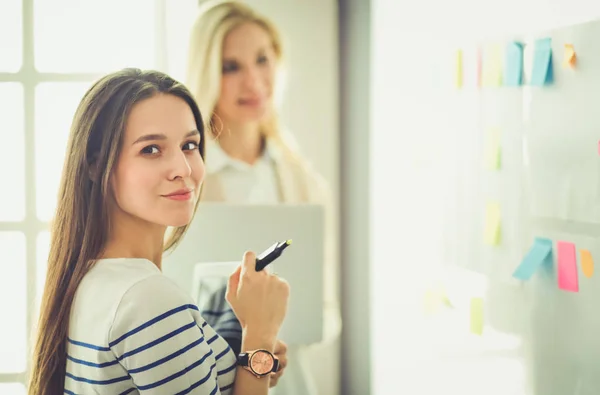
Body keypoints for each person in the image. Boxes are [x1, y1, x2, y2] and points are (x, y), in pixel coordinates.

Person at [27, 68, 290, 395]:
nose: (183, 169)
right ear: (96, 165)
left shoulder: (91, 279)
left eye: (190, 145)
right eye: (151, 149)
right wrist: (261, 337)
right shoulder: (149, 299)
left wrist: (251, 365)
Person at [185, 1, 341, 394]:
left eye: (262, 60)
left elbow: (326, 309)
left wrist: (286, 332)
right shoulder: (184, 177)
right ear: (206, 73)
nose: (254, 81)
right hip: (208, 377)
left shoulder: (303, 180)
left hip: (291, 379)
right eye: (231, 66)